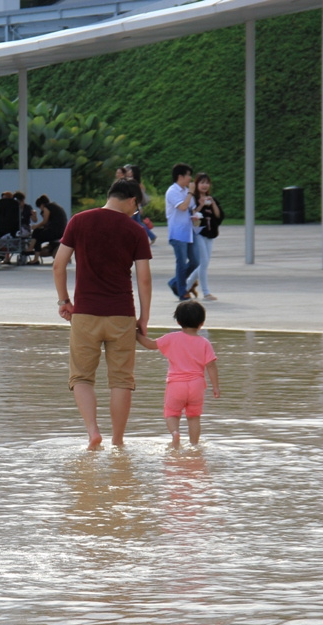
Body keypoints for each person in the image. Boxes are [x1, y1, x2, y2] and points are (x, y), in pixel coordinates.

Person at [53, 178, 152, 448]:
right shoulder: (135, 231)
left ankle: (93, 431)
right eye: (137, 206)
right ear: (132, 200)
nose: (136, 211)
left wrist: (64, 300)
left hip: (84, 314)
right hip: (122, 314)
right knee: (121, 380)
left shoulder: (79, 221)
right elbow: (144, 279)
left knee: (82, 377)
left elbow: (58, 265)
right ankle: (118, 441)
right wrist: (143, 318)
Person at [136, 301, 220, 448]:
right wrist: (215, 387)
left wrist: (135, 333)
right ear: (202, 323)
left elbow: (149, 344)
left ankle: (175, 434)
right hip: (196, 385)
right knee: (194, 417)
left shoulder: (171, 338)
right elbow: (211, 365)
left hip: (176, 385)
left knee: (171, 413)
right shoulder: (204, 342)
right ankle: (194, 445)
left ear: (178, 321)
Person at [166, 163, 200, 300]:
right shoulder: (172, 191)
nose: (190, 179)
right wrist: (191, 192)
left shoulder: (187, 191)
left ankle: (174, 282)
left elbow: (192, 208)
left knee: (195, 261)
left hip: (189, 231)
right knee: (181, 261)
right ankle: (182, 292)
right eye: (188, 175)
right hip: (177, 232)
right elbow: (183, 207)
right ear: (180, 176)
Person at [192, 173, 223, 301]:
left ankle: (186, 284)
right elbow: (193, 215)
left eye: (207, 182)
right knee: (204, 262)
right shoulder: (193, 199)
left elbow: (219, 216)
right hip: (199, 233)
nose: (204, 185)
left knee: (205, 263)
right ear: (197, 184)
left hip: (210, 235)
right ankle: (206, 292)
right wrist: (201, 205)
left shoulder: (212, 199)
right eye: (202, 182)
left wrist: (213, 203)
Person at [27, 194, 67, 262]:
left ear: (42, 205)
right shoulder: (55, 206)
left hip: (55, 231)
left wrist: (35, 226)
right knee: (37, 232)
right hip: (61, 231)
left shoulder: (47, 207)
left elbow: (45, 221)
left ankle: (35, 257)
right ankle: (31, 248)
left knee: (38, 237)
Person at [125, 164, 155, 244]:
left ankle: (144, 238)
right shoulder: (137, 182)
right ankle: (150, 236)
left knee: (134, 223)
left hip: (135, 206)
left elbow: (137, 195)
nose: (128, 172)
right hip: (135, 206)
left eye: (130, 170)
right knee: (137, 223)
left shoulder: (133, 182)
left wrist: (139, 206)